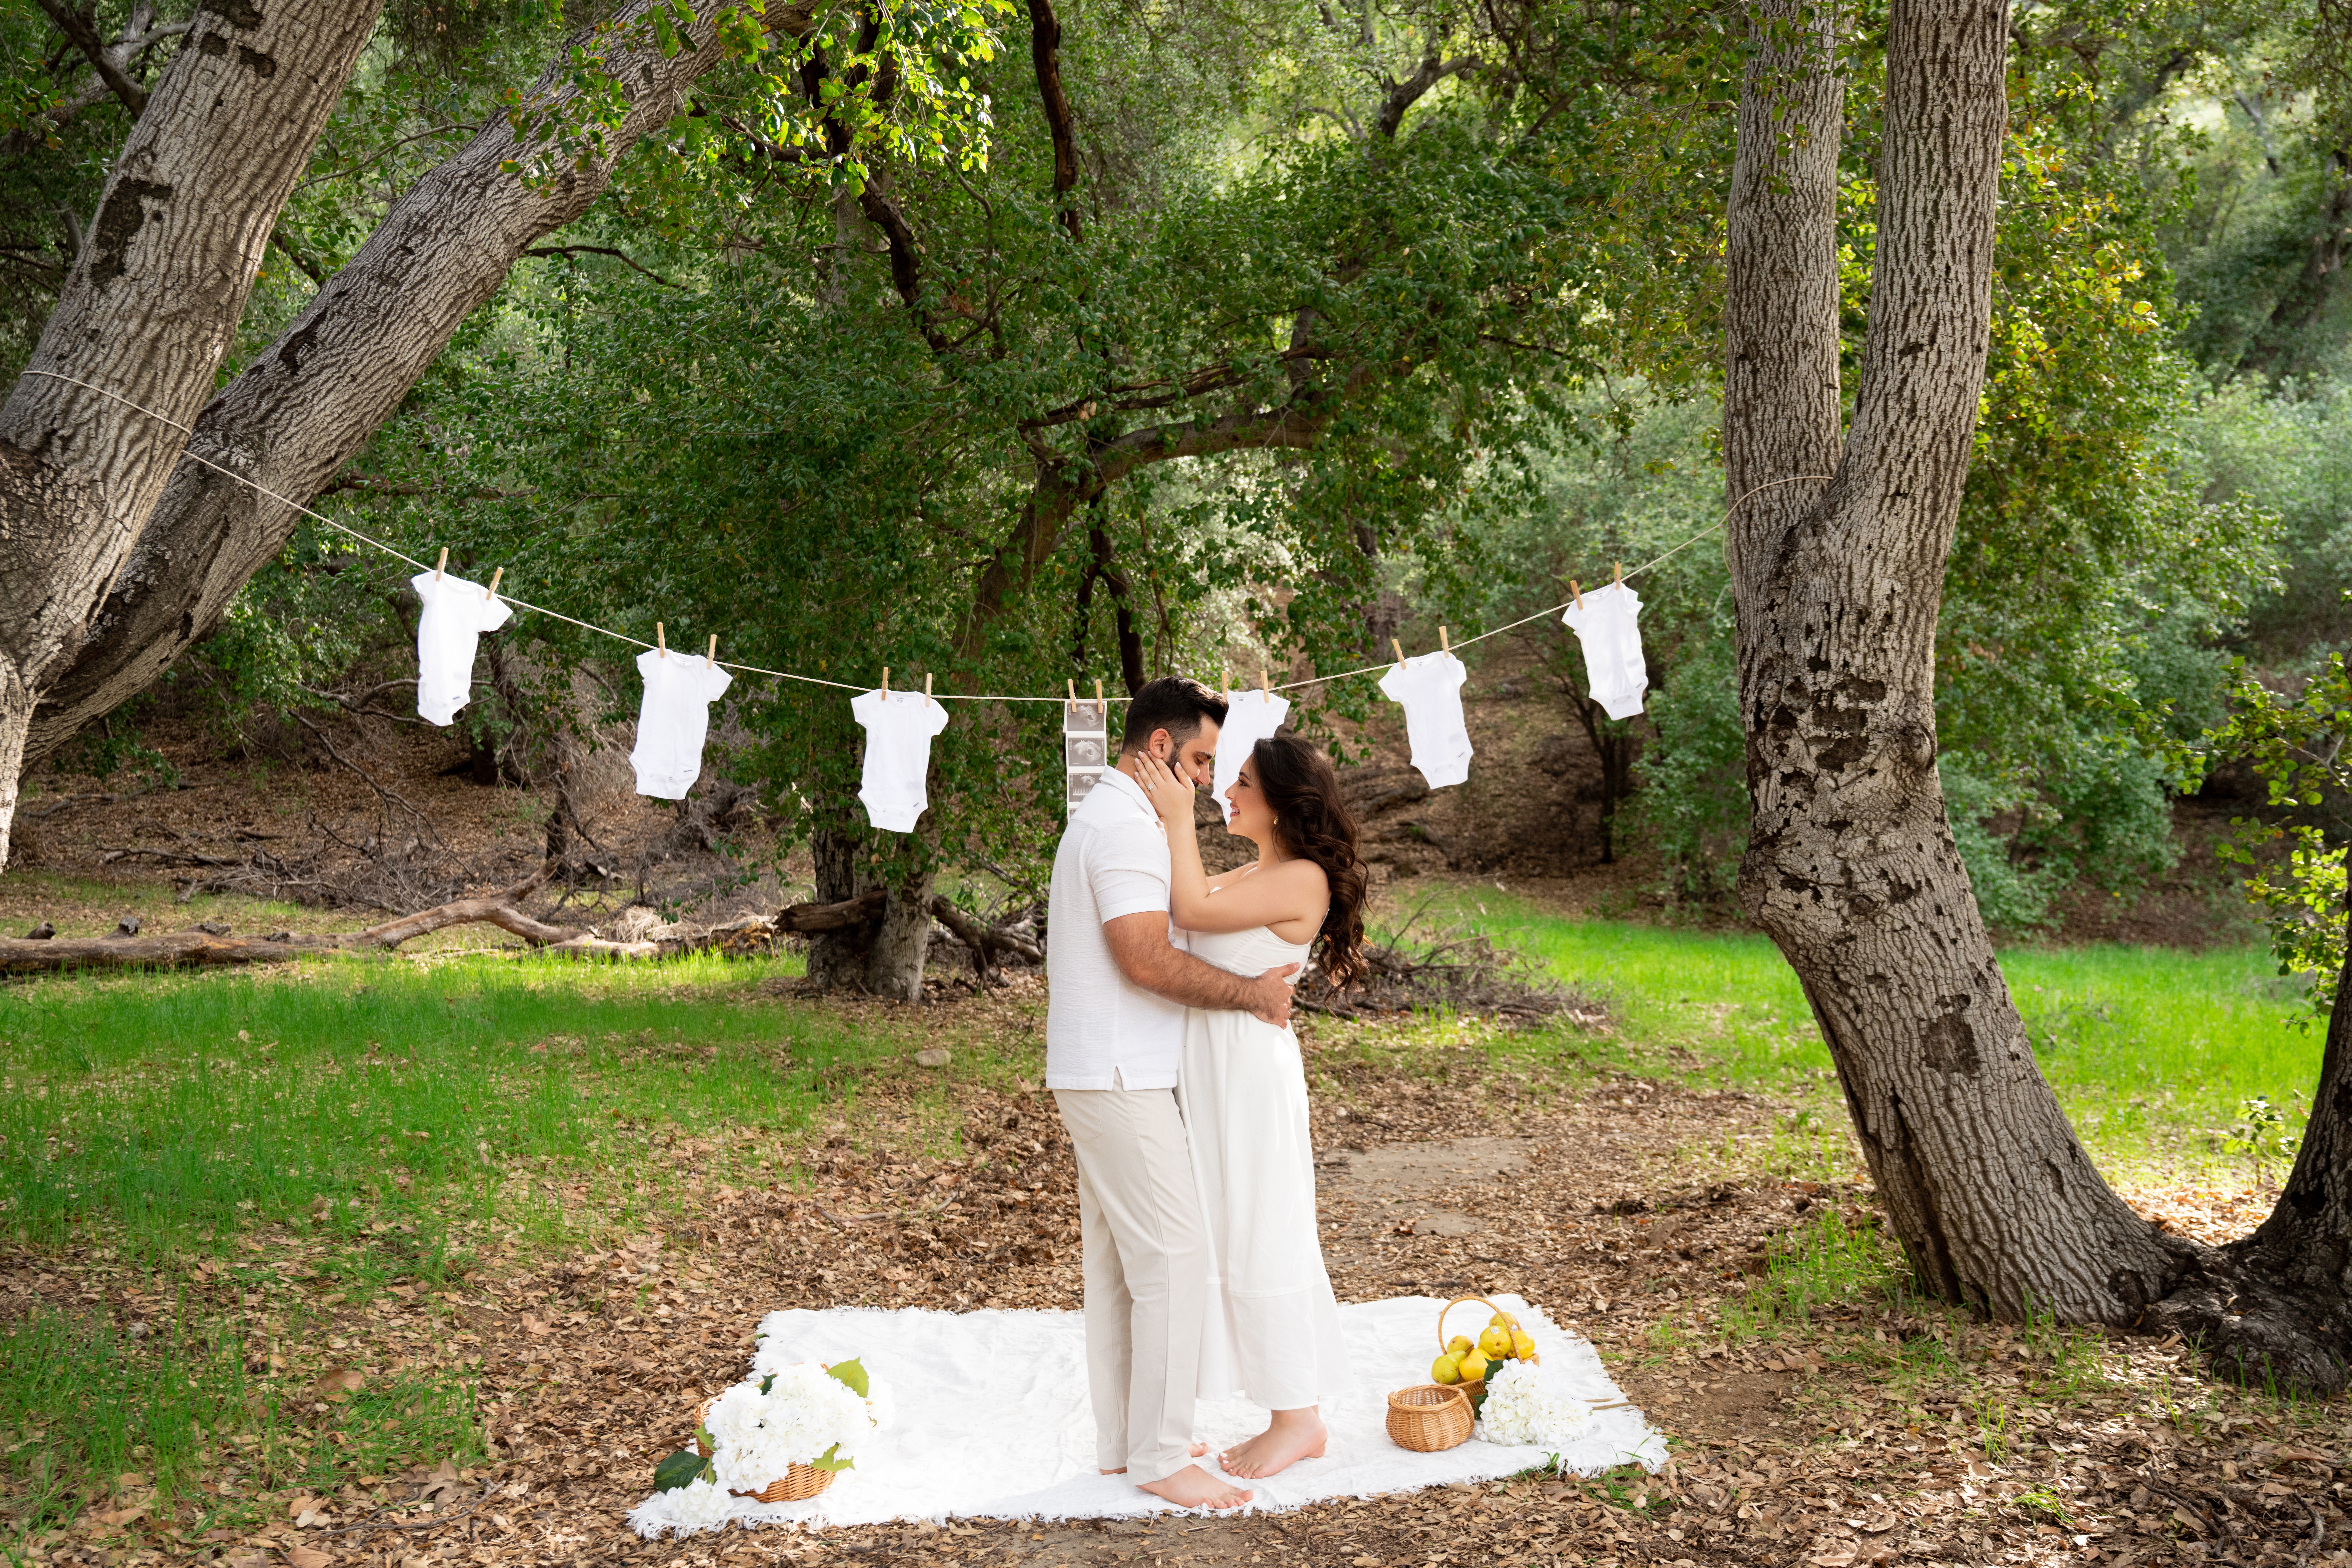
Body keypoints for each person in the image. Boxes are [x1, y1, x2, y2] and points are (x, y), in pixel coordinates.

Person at [1045, 676, 1299, 1511]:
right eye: (1197, 759)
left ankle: (1128, 1441)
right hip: (1117, 1075)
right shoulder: (1121, 826)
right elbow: (1145, 959)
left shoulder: (1125, 817)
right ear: (1159, 748)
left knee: (1122, 1266)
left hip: (1109, 1071)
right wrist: (1253, 996)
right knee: (1177, 1257)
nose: (1204, 779)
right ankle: (1159, 1454)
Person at [1135, 732, 1369, 1480]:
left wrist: (1175, 817)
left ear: (1282, 803)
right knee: (1215, 1225)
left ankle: (1299, 1417)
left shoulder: (1302, 878)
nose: (1221, 793)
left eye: (1239, 783)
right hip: (1209, 1066)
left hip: (1248, 1074)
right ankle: (1253, 1399)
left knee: (1264, 1224)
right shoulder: (1253, 870)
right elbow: (1181, 916)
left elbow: (1190, 910)